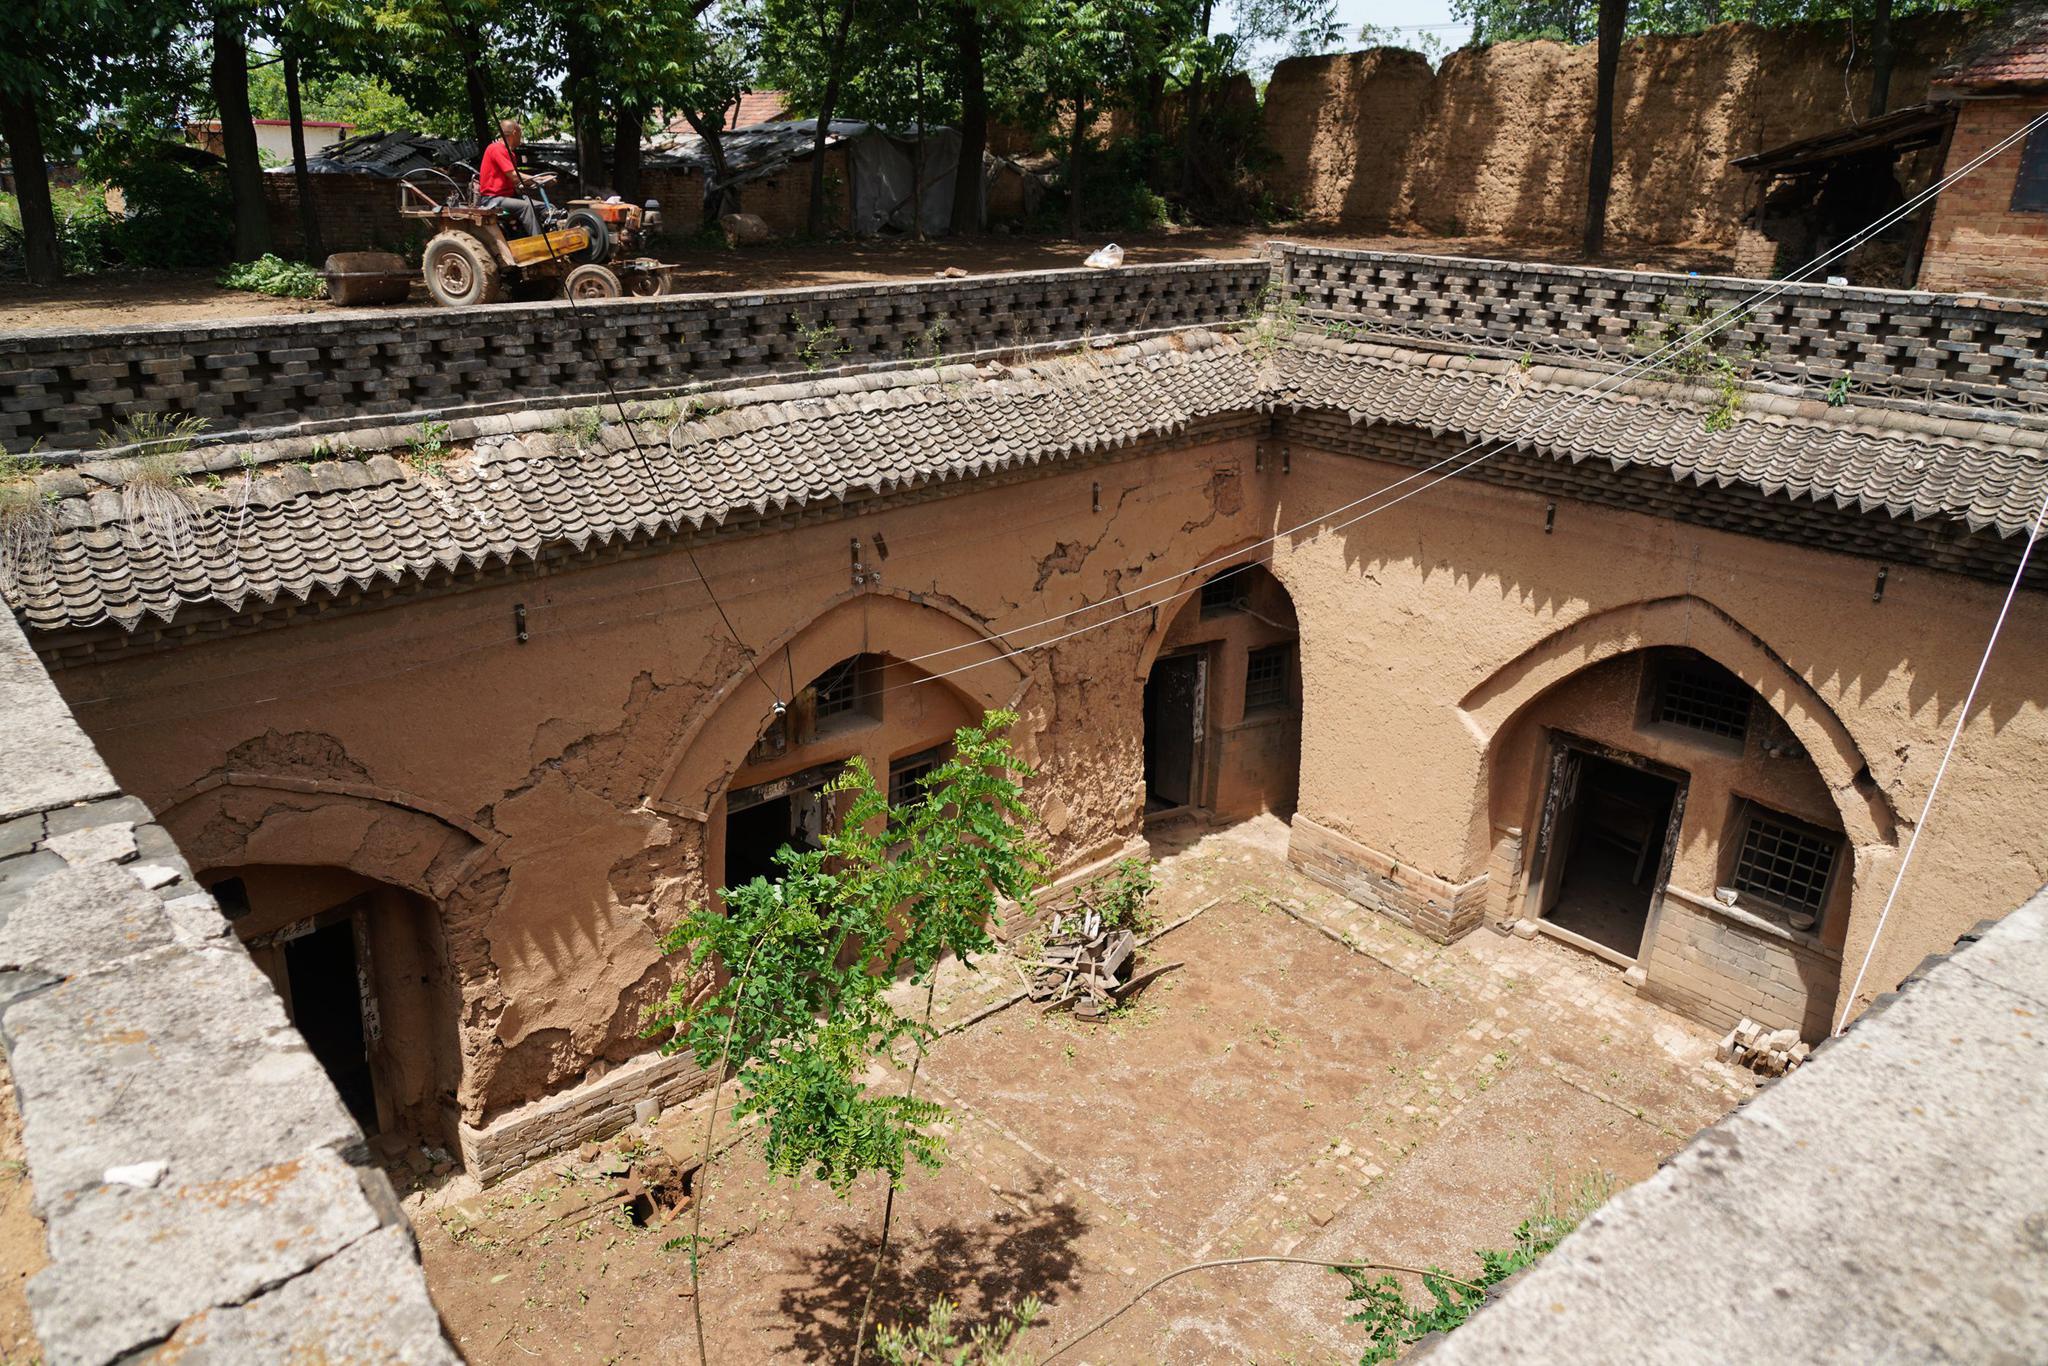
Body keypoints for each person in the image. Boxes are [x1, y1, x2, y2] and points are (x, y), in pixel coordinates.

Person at [477, 119, 541, 237]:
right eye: (521, 134)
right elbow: (513, 175)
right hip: (493, 199)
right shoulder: (496, 149)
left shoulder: (510, 153)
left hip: (508, 197)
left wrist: (532, 182)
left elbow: (513, 180)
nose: (521, 137)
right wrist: (538, 179)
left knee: (545, 207)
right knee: (526, 207)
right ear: (515, 133)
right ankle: (541, 245)